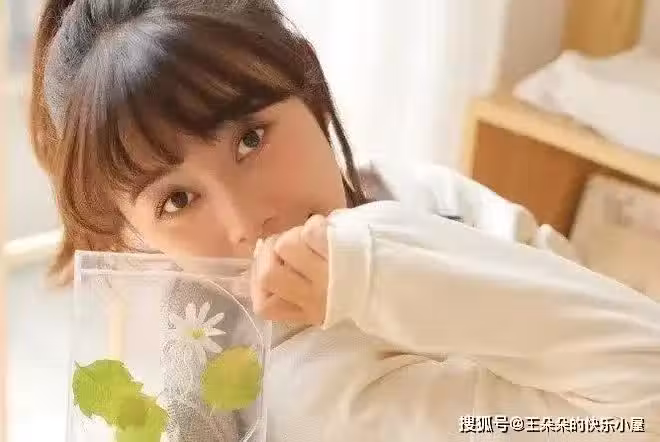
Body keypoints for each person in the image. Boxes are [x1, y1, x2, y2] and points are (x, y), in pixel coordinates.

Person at [31, 0, 660, 440]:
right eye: (176, 200)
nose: (247, 222)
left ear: (307, 84)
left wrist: (379, 259)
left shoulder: (418, 191)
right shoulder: (301, 396)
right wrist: (377, 270)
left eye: (251, 139)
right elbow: (639, 402)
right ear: (134, 233)